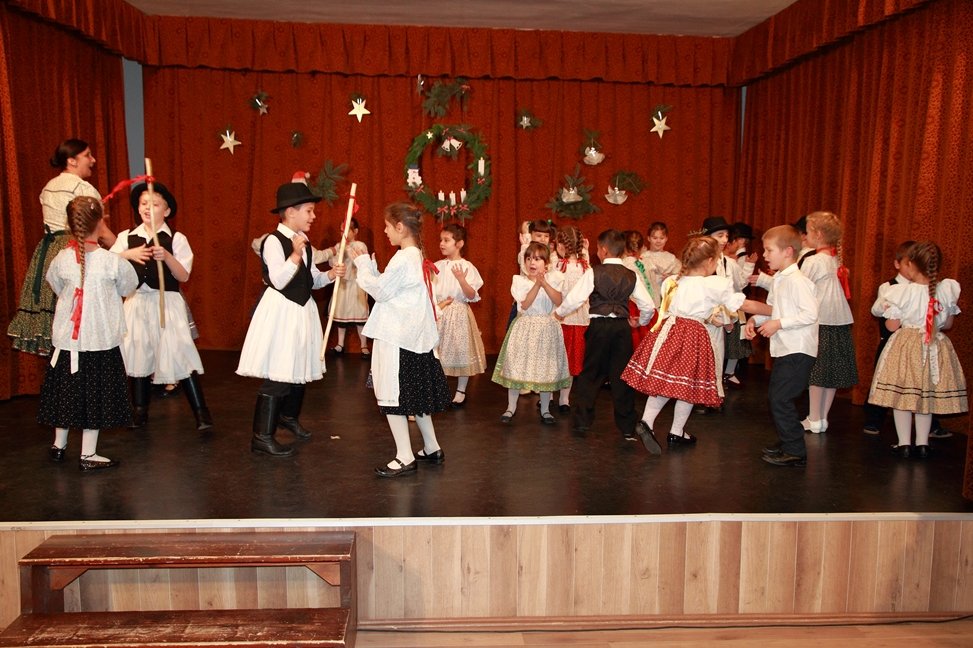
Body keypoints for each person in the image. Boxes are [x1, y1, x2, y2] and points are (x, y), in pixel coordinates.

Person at [237, 182, 345, 456]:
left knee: (298, 368)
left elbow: (311, 279)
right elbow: (279, 280)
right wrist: (295, 255)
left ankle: (288, 417)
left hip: (301, 311)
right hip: (281, 312)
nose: (313, 216)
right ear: (290, 212)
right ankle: (261, 436)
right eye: (309, 211)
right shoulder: (273, 241)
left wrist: (330, 275)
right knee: (279, 371)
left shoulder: (303, 242)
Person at [349, 203, 450, 477]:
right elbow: (392, 288)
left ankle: (405, 456)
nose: (385, 231)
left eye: (387, 226)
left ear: (400, 227)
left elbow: (381, 292)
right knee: (415, 394)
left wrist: (362, 266)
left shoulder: (404, 258)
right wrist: (372, 268)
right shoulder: (414, 256)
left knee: (393, 394)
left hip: (399, 337)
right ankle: (431, 446)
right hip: (413, 337)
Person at [621, 236, 750, 447]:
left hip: (669, 332)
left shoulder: (672, 281)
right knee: (688, 384)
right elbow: (738, 305)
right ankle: (676, 431)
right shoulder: (712, 284)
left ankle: (647, 421)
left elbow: (673, 307)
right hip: (692, 336)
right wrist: (772, 311)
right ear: (709, 261)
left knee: (666, 381)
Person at [39, 196, 138, 470]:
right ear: (100, 223)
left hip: (67, 342)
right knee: (94, 397)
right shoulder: (112, 262)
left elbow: (55, 285)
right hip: (99, 342)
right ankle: (88, 454)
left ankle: (58, 446)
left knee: (66, 394)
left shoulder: (61, 259)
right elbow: (128, 286)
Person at [111, 182, 213, 432]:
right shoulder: (126, 238)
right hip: (137, 302)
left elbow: (184, 275)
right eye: (143, 203)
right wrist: (127, 255)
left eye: (155, 204)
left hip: (166, 303)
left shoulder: (176, 238)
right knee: (139, 353)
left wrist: (167, 257)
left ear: (166, 211)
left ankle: (201, 413)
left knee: (180, 352)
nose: (148, 208)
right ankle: (139, 411)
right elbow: (107, 262)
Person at [8, 139, 113, 355]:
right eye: (87, 155)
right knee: (79, 314)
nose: (93, 160)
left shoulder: (49, 187)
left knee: (59, 315)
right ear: (72, 161)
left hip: (48, 254)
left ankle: (60, 367)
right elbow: (101, 230)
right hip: (76, 251)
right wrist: (120, 250)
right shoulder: (83, 188)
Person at [867, 241, 967, 459]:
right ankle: (923, 444)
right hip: (934, 345)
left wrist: (891, 313)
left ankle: (904, 443)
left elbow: (891, 326)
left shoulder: (901, 292)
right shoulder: (946, 290)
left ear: (910, 264)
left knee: (902, 396)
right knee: (925, 396)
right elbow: (948, 324)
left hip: (906, 347)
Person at [556, 229, 655, 447]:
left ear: (603, 250)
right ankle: (627, 427)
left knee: (591, 374)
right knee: (621, 377)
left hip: (599, 327)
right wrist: (641, 321)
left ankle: (582, 422)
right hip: (621, 329)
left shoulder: (594, 272)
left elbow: (575, 298)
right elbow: (648, 305)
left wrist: (560, 312)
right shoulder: (631, 275)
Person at [744, 225, 819, 467]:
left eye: (769, 250)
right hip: (787, 348)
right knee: (777, 397)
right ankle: (789, 442)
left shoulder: (798, 281)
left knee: (780, 398)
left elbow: (810, 314)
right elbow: (775, 310)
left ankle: (795, 449)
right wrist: (755, 320)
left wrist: (778, 323)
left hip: (798, 349)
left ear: (787, 251)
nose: (765, 255)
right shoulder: (779, 279)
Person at [492, 241, 571, 425]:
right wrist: (537, 285)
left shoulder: (556, 278)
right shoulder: (519, 281)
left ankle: (545, 409)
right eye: (528, 259)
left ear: (546, 263)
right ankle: (510, 407)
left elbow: (559, 301)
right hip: (525, 328)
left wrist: (545, 284)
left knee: (545, 369)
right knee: (517, 366)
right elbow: (525, 304)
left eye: (537, 259)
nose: (531, 263)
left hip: (547, 329)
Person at [799, 211, 858, 433]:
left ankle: (814, 417)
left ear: (818, 234)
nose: (805, 235)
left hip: (821, 320)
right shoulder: (834, 260)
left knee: (818, 371)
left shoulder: (814, 261)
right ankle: (822, 418)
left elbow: (801, 289)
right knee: (831, 371)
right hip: (839, 321)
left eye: (808, 231)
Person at [862, 240, 914, 435]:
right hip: (891, 342)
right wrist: (889, 305)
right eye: (908, 264)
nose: (912, 269)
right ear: (897, 264)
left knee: (917, 381)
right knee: (882, 380)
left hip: (913, 343)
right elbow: (876, 310)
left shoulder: (921, 288)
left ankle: (932, 424)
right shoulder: (889, 287)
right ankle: (874, 419)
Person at [433, 223, 486, 407]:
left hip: (458, 313)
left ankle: (461, 390)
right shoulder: (437, 266)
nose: (442, 243)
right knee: (437, 351)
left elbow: (471, 295)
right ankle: (438, 389)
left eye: (446, 240)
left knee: (461, 351)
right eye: (441, 240)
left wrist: (462, 280)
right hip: (440, 311)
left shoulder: (466, 266)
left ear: (459, 243)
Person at [553, 225, 590, 411]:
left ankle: (549, 396)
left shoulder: (559, 267)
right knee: (570, 361)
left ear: (560, 245)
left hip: (562, 319)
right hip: (580, 320)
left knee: (557, 359)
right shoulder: (586, 266)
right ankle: (564, 399)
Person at [328, 217, 371, 357]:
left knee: (360, 314)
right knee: (341, 312)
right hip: (343, 284)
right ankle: (340, 344)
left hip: (356, 284)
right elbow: (332, 263)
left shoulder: (360, 245)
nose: (343, 234)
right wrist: (338, 254)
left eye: (347, 230)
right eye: (342, 231)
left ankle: (364, 346)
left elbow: (361, 262)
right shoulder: (338, 245)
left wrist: (347, 250)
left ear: (355, 231)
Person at [723, 222, 757, 388]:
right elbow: (741, 283)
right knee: (729, 341)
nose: (740, 243)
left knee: (734, 340)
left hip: (730, 306)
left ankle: (727, 373)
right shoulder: (730, 262)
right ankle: (724, 374)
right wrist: (749, 265)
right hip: (729, 306)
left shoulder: (732, 261)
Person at [622, 230, 654, 351]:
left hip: (631, 307)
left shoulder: (623, 265)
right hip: (646, 307)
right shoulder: (644, 263)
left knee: (633, 343)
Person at [639, 221, 680, 309]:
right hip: (649, 297)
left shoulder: (671, 258)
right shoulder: (643, 257)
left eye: (661, 238)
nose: (658, 241)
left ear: (666, 238)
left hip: (668, 299)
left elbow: (680, 277)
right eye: (655, 238)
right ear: (649, 238)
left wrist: (670, 277)